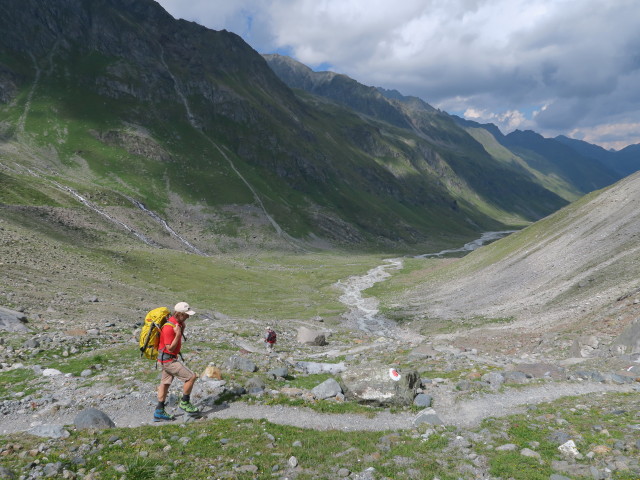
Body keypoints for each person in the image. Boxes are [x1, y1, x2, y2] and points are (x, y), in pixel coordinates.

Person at [153, 301, 200, 421]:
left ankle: (159, 411)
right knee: (191, 377)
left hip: (165, 359)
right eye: (186, 315)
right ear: (179, 314)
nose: (188, 317)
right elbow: (170, 348)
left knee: (165, 383)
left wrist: (181, 329)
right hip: (169, 361)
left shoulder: (177, 324)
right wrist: (179, 334)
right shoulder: (169, 327)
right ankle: (185, 403)